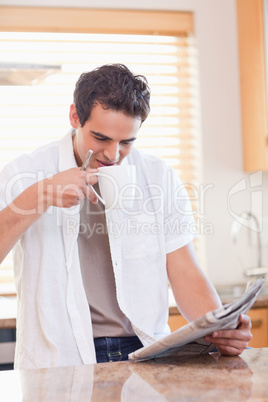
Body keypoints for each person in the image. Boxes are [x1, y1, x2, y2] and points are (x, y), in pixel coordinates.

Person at [0, 64, 252, 369]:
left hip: (145, 351)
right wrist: (41, 194)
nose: (113, 154)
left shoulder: (158, 177)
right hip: (61, 357)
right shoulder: (24, 172)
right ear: (74, 117)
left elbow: (184, 270)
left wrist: (220, 328)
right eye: (101, 138)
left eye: (126, 142)